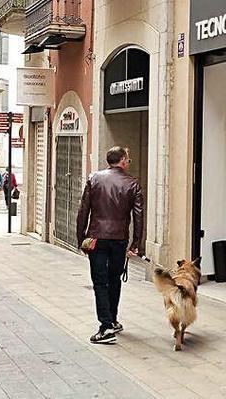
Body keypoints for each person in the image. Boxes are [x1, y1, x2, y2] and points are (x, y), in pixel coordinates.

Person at [76, 146, 144, 344]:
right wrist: (135, 243)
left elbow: (83, 210)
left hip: (96, 237)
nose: (128, 162)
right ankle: (112, 320)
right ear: (122, 160)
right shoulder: (133, 183)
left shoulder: (94, 178)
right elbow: (138, 216)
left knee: (100, 282)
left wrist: (80, 238)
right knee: (114, 278)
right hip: (119, 239)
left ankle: (105, 326)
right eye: (128, 159)